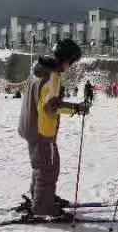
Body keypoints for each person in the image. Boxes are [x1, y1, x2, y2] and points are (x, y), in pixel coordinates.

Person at [18, 40, 89, 219]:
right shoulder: (53, 76)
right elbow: (51, 107)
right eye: (72, 62)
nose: (71, 67)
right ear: (67, 60)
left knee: (41, 165)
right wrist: (76, 108)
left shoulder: (39, 72)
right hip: (42, 130)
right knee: (48, 168)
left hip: (30, 126)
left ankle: (41, 197)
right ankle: (43, 207)